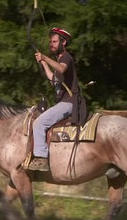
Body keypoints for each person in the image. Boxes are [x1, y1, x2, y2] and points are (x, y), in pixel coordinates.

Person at [29, 27, 87, 171]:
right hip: (64, 102)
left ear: (64, 42)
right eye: (51, 42)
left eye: (54, 41)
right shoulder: (59, 60)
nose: (51, 44)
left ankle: (41, 159)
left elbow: (61, 69)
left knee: (39, 123)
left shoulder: (66, 57)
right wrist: (43, 63)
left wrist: (45, 58)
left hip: (69, 102)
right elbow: (53, 77)